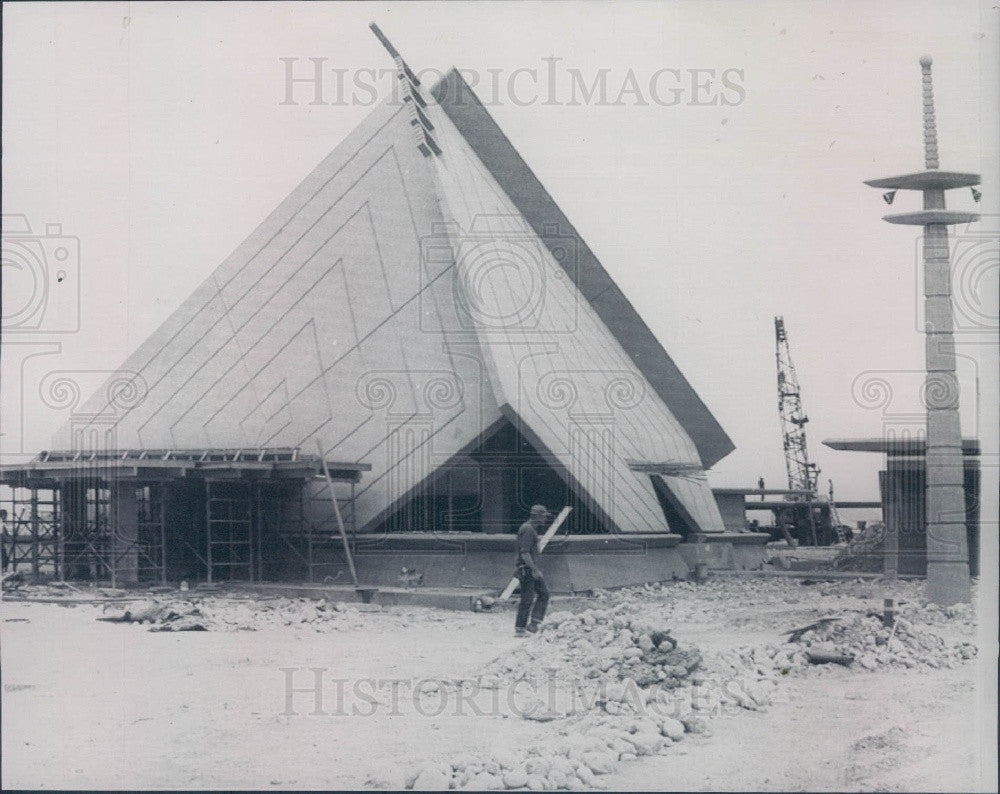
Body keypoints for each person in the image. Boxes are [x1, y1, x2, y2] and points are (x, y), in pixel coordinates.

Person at [514, 504, 551, 637]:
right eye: (543, 516)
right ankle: (521, 629)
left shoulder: (529, 529)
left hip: (528, 568)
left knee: (542, 594)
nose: (544, 519)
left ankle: (533, 625)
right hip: (527, 569)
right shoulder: (528, 529)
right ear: (536, 516)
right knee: (528, 598)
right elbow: (524, 552)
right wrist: (534, 569)